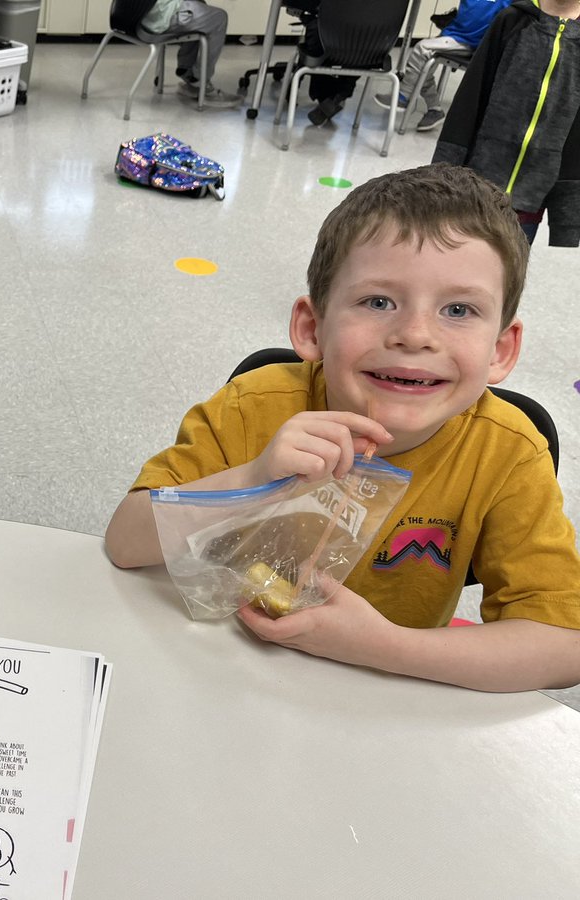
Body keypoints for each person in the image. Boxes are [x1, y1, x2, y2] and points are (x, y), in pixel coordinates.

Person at [105, 164, 580, 693]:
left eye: (459, 309)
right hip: (218, 673)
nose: (415, 334)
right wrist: (252, 477)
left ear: (501, 350)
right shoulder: (254, 407)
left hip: (389, 689)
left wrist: (381, 646)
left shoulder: (506, 452)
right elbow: (125, 542)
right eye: (379, 302)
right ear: (312, 327)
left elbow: (564, 644)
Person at [433, 0, 580, 246]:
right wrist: (442, 174)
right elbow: (471, 99)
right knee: (457, 259)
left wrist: (567, 215)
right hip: (476, 182)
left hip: (532, 196)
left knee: (507, 273)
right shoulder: (512, 20)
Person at [374, 0, 514, 132]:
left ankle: (403, 96)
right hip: (454, 33)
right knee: (422, 68)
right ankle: (434, 109)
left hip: (470, 42)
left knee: (422, 48)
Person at [139, 0, 243, 108]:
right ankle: (201, 84)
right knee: (219, 18)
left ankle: (189, 74)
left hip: (139, 14)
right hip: (160, 15)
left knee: (200, 6)